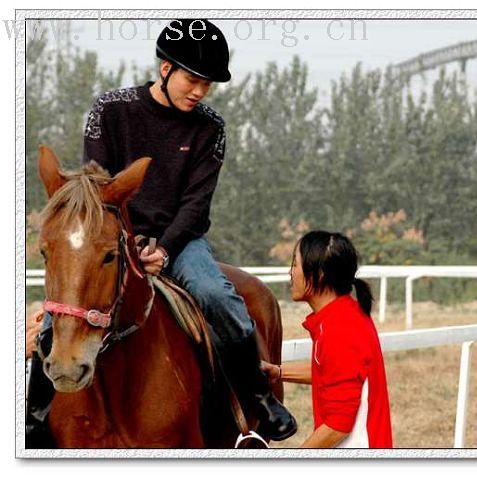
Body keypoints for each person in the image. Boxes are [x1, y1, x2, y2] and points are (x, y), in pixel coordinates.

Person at [26, 19, 296, 444]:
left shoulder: (211, 127)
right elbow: (97, 186)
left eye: (208, 84)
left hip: (181, 240)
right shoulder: (110, 109)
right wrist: (127, 243)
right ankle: (34, 418)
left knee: (218, 297)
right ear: (165, 67)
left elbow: (196, 203)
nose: (200, 91)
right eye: (194, 79)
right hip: (112, 236)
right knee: (59, 315)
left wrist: (165, 249)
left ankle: (258, 400)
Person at [262, 231, 393, 448]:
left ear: (319, 274)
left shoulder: (339, 330)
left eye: (295, 264)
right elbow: (333, 372)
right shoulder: (343, 315)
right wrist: (278, 372)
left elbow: (338, 424)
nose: (291, 273)